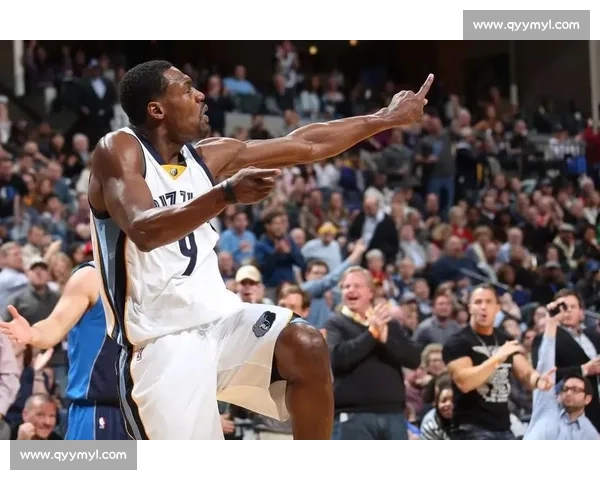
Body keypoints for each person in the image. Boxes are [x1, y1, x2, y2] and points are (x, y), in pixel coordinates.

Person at [86, 59, 433, 440]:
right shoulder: (119, 149)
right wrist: (226, 194)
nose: (200, 95)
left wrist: (386, 118)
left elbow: (308, 143)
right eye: (185, 89)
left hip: (220, 321)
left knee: (306, 344)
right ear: (157, 110)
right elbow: (143, 229)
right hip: (159, 342)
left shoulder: (207, 157)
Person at [0, 262, 128, 440]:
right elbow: (56, 324)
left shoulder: (160, 278)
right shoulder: (91, 276)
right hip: (100, 408)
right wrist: (32, 333)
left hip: (147, 407)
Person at [443, 284, 555, 440]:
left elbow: (525, 372)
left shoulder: (505, 339)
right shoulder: (457, 342)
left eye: (489, 302)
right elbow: (465, 382)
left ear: (497, 308)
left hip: (502, 426)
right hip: (470, 428)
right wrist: (497, 358)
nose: (483, 307)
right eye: (478, 302)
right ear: (469, 308)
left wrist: (538, 380)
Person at [524, 300, 600, 440]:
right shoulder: (546, 406)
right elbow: (545, 366)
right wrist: (551, 323)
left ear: (581, 312)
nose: (569, 393)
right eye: (565, 389)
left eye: (573, 307)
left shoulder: (590, 433)